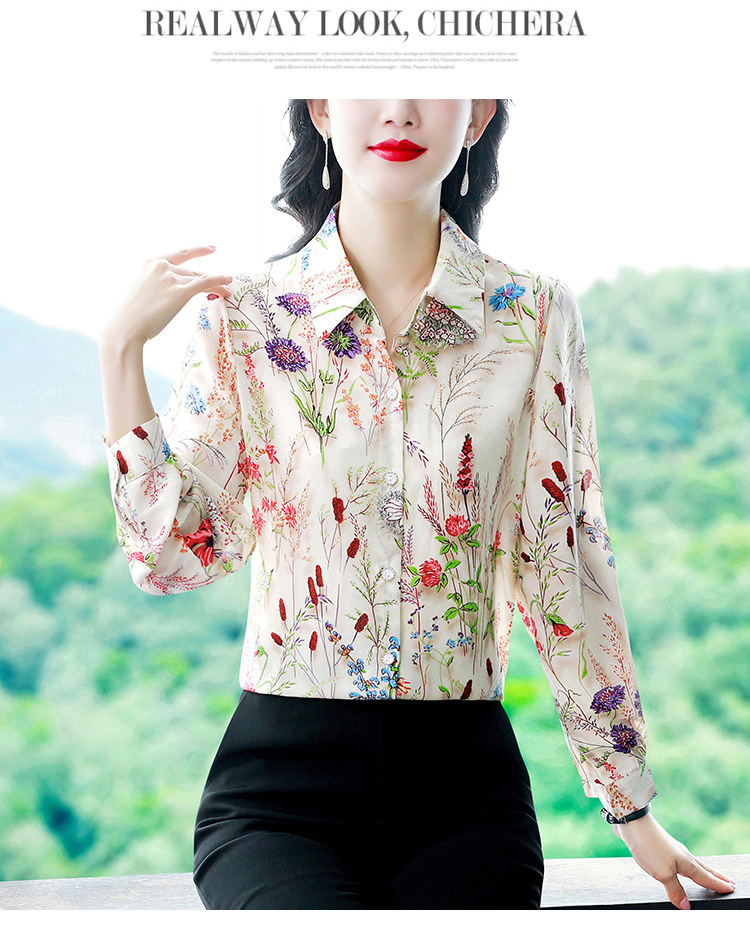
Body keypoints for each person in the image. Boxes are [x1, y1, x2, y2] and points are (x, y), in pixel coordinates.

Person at [98, 99, 737, 910]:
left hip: (466, 799)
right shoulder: (247, 317)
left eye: (431, 82)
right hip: (279, 801)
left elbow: (565, 561)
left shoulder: (532, 315)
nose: (399, 108)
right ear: (322, 108)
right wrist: (119, 350)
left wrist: (631, 805)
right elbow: (168, 558)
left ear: (477, 116)